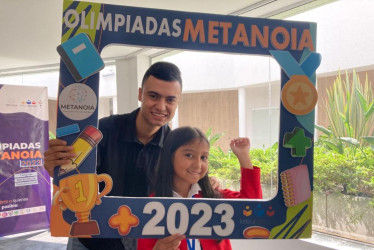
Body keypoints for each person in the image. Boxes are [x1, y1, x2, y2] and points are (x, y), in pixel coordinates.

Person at [44, 62, 184, 250]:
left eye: (170, 100)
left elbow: (183, 187)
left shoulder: (175, 145)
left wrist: (206, 184)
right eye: (153, 96)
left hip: (140, 241)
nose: (161, 106)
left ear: (177, 102)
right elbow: (72, 175)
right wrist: (57, 166)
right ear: (140, 94)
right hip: (89, 239)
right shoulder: (102, 130)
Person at [137, 126, 262, 250]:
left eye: (203, 157)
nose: (198, 165)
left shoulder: (214, 196)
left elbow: (252, 207)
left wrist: (243, 156)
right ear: (170, 157)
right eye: (189, 155)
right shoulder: (152, 206)